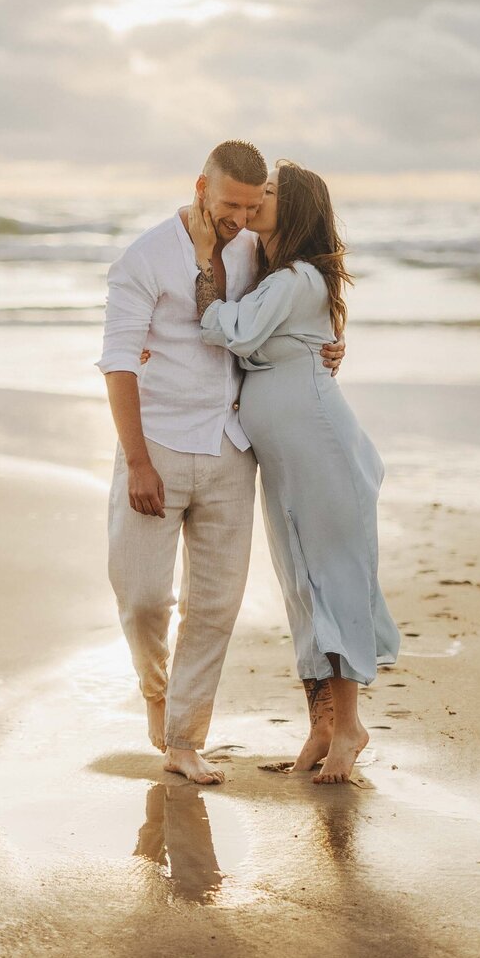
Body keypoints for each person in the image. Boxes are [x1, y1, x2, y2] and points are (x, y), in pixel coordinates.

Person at [97, 140, 345, 785]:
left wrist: (329, 345)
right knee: (144, 598)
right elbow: (119, 363)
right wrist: (138, 461)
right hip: (159, 447)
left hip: (234, 447)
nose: (239, 216)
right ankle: (156, 689)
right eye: (229, 202)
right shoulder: (145, 259)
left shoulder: (256, 251)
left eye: (251, 204)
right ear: (200, 186)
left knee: (214, 607)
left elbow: (297, 304)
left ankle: (183, 739)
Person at [193, 161, 401, 784]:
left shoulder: (298, 277)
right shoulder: (276, 270)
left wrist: (207, 297)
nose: (258, 200)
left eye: (273, 194)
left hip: (317, 444)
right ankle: (320, 724)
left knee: (332, 580)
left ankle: (350, 729)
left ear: (300, 208)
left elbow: (235, 328)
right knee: (301, 586)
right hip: (287, 452)